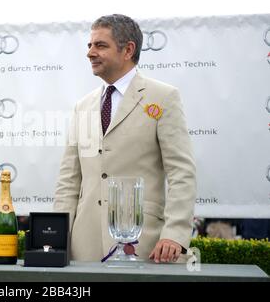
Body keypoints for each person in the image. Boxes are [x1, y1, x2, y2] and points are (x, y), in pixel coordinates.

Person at [54, 14, 196, 263]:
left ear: (128, 50)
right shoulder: (82, 106)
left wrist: (174, 234)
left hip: (145, 244)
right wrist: (56, 235)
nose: (90, 52)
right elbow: (69, 180)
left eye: (100, 45)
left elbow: (181, 173)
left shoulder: (163, 98)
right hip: (83, 247)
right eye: (89, 45)